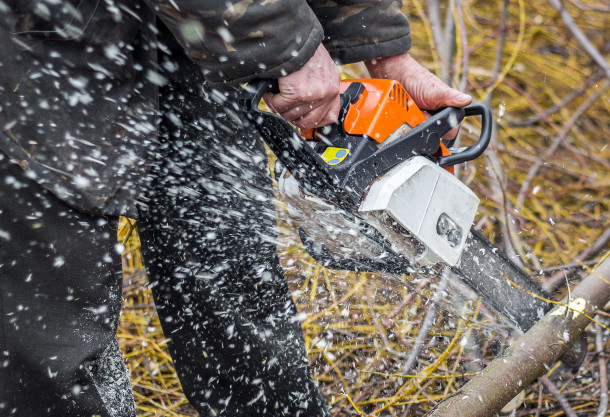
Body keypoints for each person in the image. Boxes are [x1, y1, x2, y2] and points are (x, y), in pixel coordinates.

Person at [0, 1, 472, 416]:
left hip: (200, 35)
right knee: (51, 344)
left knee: (238, 282)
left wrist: (381, 46)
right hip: (42, 43)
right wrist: (288, 44)